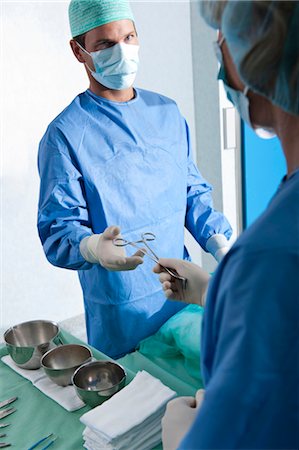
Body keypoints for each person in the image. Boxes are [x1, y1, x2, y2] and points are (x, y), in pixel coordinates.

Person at [37, 0, 232, 359]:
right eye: (106, 45)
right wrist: (93, 246)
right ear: (79, 52)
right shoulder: (66, 134)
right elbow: (58, 229)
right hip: (121, 312)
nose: (122, 51)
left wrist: (219, 242)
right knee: (134, 401)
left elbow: (191, 192)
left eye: (129, 37)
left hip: (182, 293)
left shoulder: (166, 113)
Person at [154, 1, 299, 448]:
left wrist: (185, 441)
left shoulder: (270, 260)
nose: (221, 49)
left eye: (223, 33)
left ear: (259, 48)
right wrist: (214, 291)